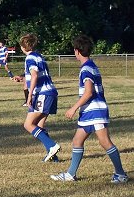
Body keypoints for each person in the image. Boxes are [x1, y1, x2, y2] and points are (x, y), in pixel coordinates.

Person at [50, 35, 128, 183]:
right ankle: (70, 174)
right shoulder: (92, 66)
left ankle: (121, 174)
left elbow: (89, 92)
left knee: (105, 142)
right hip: (90, 111)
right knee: (77, 141)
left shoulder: (86, 69)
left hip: (95, 111)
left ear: (77, 51)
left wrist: (73, 108)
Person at [20, 34, 60, 162]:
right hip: (50, 92)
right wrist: (22, 78)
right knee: (39, 125)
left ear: (23, 47)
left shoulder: (30, 58)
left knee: (28, 124)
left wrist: (29, 95)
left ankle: (52, 146)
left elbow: (35, 75)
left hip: (43, 93)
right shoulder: (39, 56)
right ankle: (53, 157)